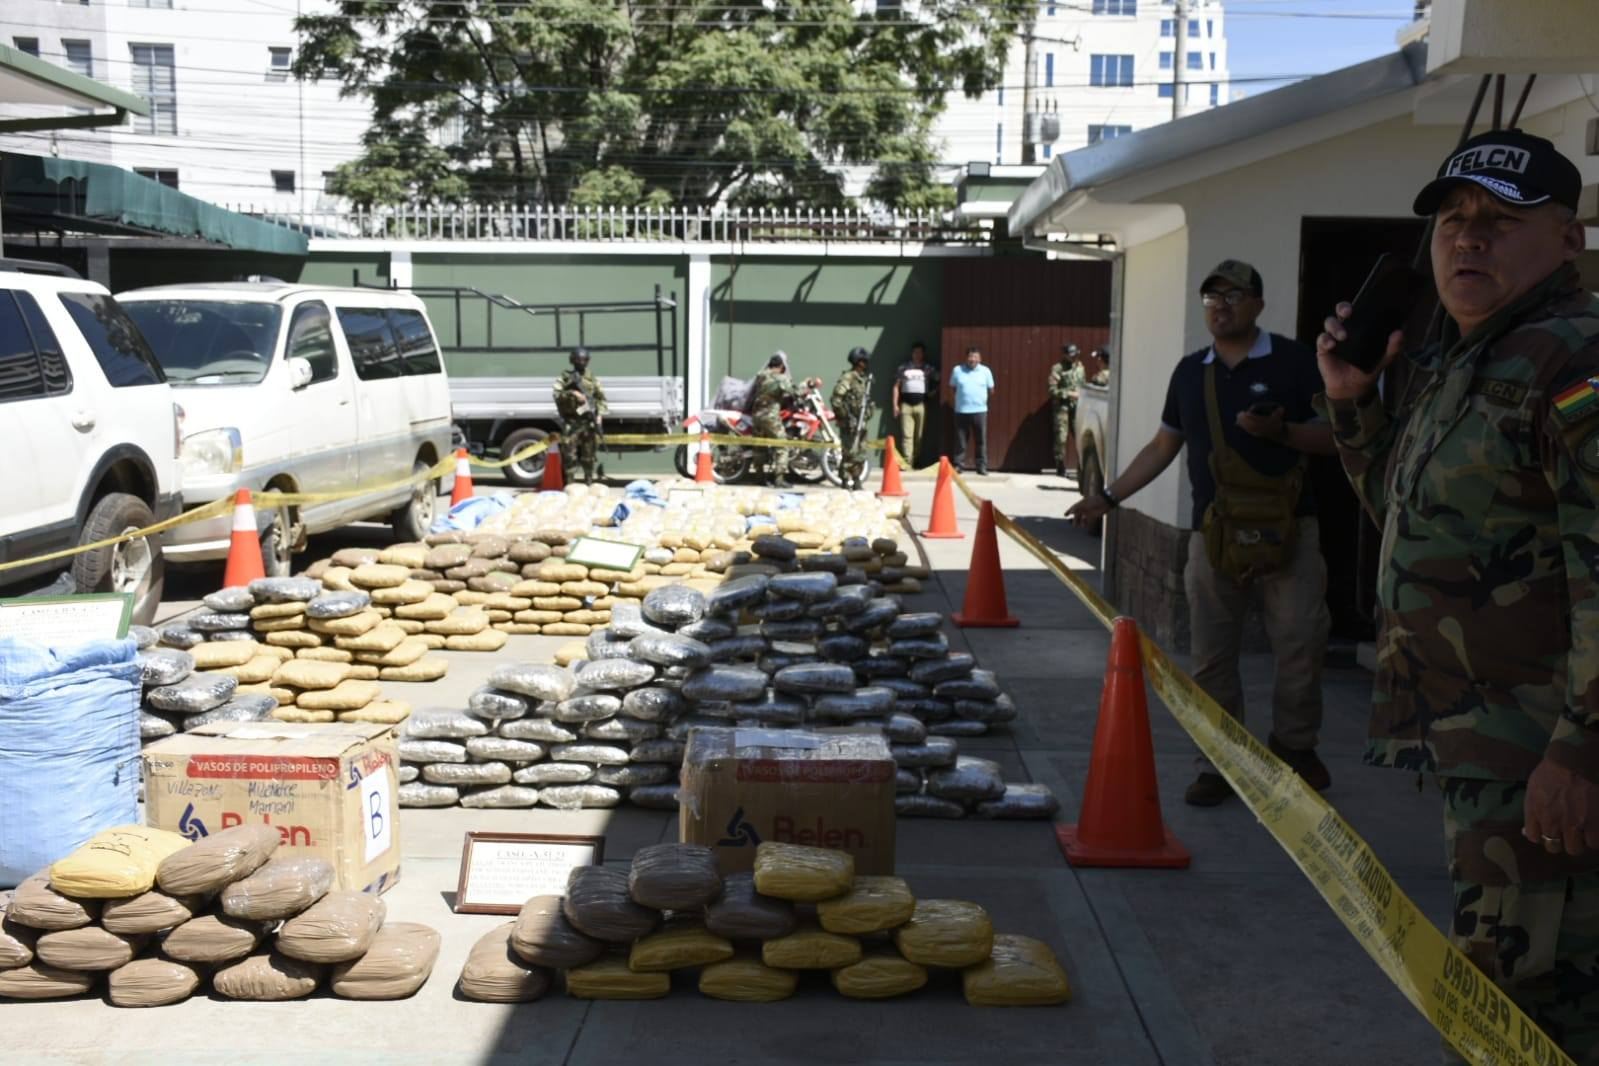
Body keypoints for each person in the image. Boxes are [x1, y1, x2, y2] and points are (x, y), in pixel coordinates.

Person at [1315, 130, 1598, 1062]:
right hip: (1484, 751)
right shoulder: (1467, 360)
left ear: (1567, 241)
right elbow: (1414, 517)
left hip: (1538, 763)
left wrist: (1578, 753)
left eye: (1498, 223)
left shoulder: (1571, 364)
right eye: (1451, 222)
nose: (1465, 241)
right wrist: (1355, 401)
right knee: (1507, 1002)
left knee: (1519, 1012)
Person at [1066, 259, 1335, 807]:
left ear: (1258, 304)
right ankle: (1219, 762)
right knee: (1211, 656)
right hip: (1212, 535)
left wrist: (1280, 431)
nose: (1221, 306)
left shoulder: (1297, 362)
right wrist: (1108, 499)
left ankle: (1296, 751)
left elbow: (1337, 439)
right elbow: (1163, 447)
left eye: (1234, 296)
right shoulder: (1191, 372)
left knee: (1301, 648)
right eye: (1212, 297)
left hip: (1291, 532)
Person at [555, 347, 607, 484]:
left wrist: (599, 417)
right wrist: (573, 393)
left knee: (588, 455)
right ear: (572, 360)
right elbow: (556, 395)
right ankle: (570, 483)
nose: (581, 362)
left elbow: (601, 399)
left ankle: (589, 481)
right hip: (571, 423)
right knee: (569, 456)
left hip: (588, 423)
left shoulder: (592, 379)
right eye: (578, 359)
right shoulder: (565, 377)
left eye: (584, 359)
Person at [749, 352, 795, 489]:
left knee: (759, 446)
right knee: (782, 445)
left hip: (756, 415)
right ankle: (779, 479)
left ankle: (759, 477)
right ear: (781, 366)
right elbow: (793, 391)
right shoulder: (780, 378)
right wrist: (807, 386)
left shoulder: (760, 376)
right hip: (770, 416)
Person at [832, 347, 874, 490]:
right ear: (858, 362)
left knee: (860, 453)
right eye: (863, 361)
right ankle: (845, 482)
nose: (866, 364)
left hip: (861, 421)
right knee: (849, 453)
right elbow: (836, 399)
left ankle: (856, 480)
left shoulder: (862, 380)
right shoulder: (848, 378)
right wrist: (845, 417)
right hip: (850, 423)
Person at [950, 346, 995, 475]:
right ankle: (958, 465)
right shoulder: (957, 370)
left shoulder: (986, 371)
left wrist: (980, 400)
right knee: (960, 440)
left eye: (975, 357)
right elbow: (953, 388)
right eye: (970, 356)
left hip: (980, 411)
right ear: (966, 358)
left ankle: (981, 467)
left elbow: (991, 390)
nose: (972, 359)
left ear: (980, 359)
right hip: (961, 411)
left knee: (981, 440)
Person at [893, 341, 935, 468]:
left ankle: (916, 460)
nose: (917, 355)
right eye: (915, 352)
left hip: (921, 405)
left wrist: (932, 393)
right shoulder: (903, 368)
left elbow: (940, 379)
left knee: (919, 436)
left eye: (920, 352)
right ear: (912, 353)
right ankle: (907, 462)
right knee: (907, 435)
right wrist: (895, 405)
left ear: (923, 354)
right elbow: (896, 386)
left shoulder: (928, 368)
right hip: (906, 405)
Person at [1048, 344, 1087, 478]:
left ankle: (1082, 466)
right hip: (1062, 407)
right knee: (1061, 437)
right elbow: (1053, 390)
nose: (1074, 357)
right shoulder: (1057, 369)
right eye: (1071, 354)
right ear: (1065, 355)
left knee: (1080, 436)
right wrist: (1069, 394)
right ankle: (1060, 465)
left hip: (1078, 407)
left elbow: (1083, 384)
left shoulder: (1080, 367)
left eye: (1076, 354)